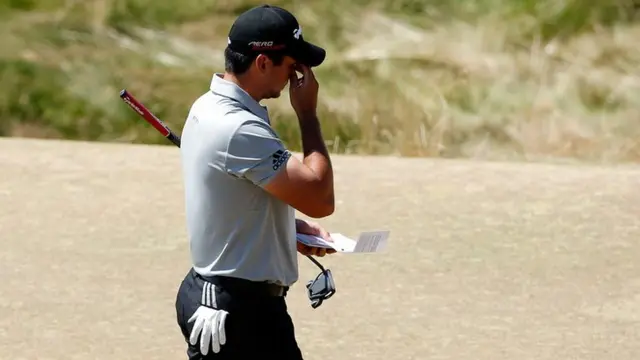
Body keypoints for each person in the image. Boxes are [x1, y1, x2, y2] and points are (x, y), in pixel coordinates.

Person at [174, 4, 337, 360]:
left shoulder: (208, 106)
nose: (297, 75)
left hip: (238, 303)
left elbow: (232, 198)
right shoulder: (238, 128)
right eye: (292, 65)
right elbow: (320, 199)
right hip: (236, 313)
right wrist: (307, 113)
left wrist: (282, 230)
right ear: (263, 63)